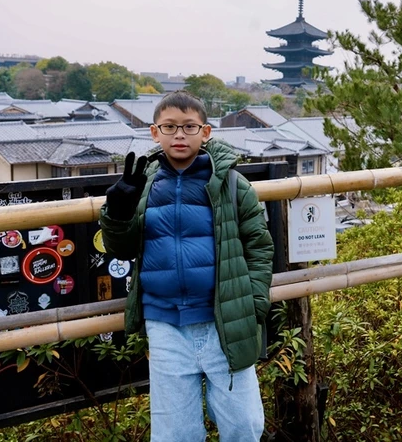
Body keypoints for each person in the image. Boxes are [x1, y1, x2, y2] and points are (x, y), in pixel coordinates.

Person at [99, 91, 274, 442]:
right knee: (175, 432)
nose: (179, 135)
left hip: (223, 317)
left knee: (244, 425)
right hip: (165, 323)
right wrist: (117, 212)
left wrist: (253, 301)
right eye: (170, 127)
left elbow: (259, 246)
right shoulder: (144, 185)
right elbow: (122, 249)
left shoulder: (232, 184)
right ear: (154, 132)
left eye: (189, 127)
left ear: (205, 132)